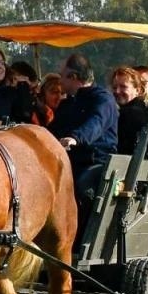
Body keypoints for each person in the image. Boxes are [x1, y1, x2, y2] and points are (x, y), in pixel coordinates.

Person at [48, 54, 118, 203]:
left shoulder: (103, 99)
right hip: (69, 161)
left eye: (62, 76)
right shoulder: (68, 104)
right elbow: (52, 131)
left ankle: (85, 226)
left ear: (73, 77)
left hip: (97, 163)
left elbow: (96, 123)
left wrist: (75, 138)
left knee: (82, 186)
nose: (59, 81)